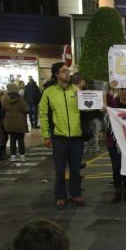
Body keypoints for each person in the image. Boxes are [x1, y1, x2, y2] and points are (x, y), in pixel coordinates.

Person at [39, 62, 84, 209]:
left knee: (76, 170)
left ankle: (76, 194)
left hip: (77, 137)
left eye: (68, 71)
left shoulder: (76, 90)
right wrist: (46, 135)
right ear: (56, 74)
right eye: (63, 71)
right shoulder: (49, 92)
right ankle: (60, 196)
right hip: (59, 137)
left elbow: (87, 108)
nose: (67, 73)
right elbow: (44, 115)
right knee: (60, 170)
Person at [1, 82, 29, 161]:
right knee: (20, 139)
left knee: (12, 139)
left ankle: (13, 156)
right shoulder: (20, 98)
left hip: (9, 121)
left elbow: (2, 109)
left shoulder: (4, 97)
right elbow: (26, 109)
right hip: (20, 121)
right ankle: (22, 155)